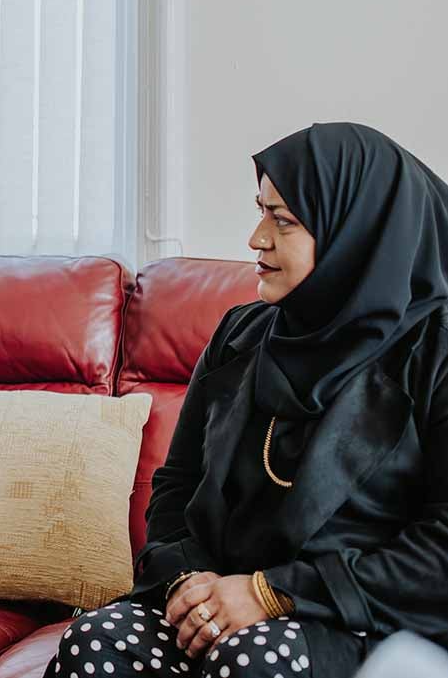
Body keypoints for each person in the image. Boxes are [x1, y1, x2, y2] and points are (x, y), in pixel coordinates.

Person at [47, 122, 448, 677]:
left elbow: (441, 551)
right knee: (97, 639)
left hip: (360, 619)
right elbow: (175, 488)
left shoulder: (435, 353)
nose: (257, 238)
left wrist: (270, 593)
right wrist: (191, 583)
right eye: (261, 211)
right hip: (225, 604)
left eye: (283, 220)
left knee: (251, 658)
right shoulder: (242, 334)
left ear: (354, 233)